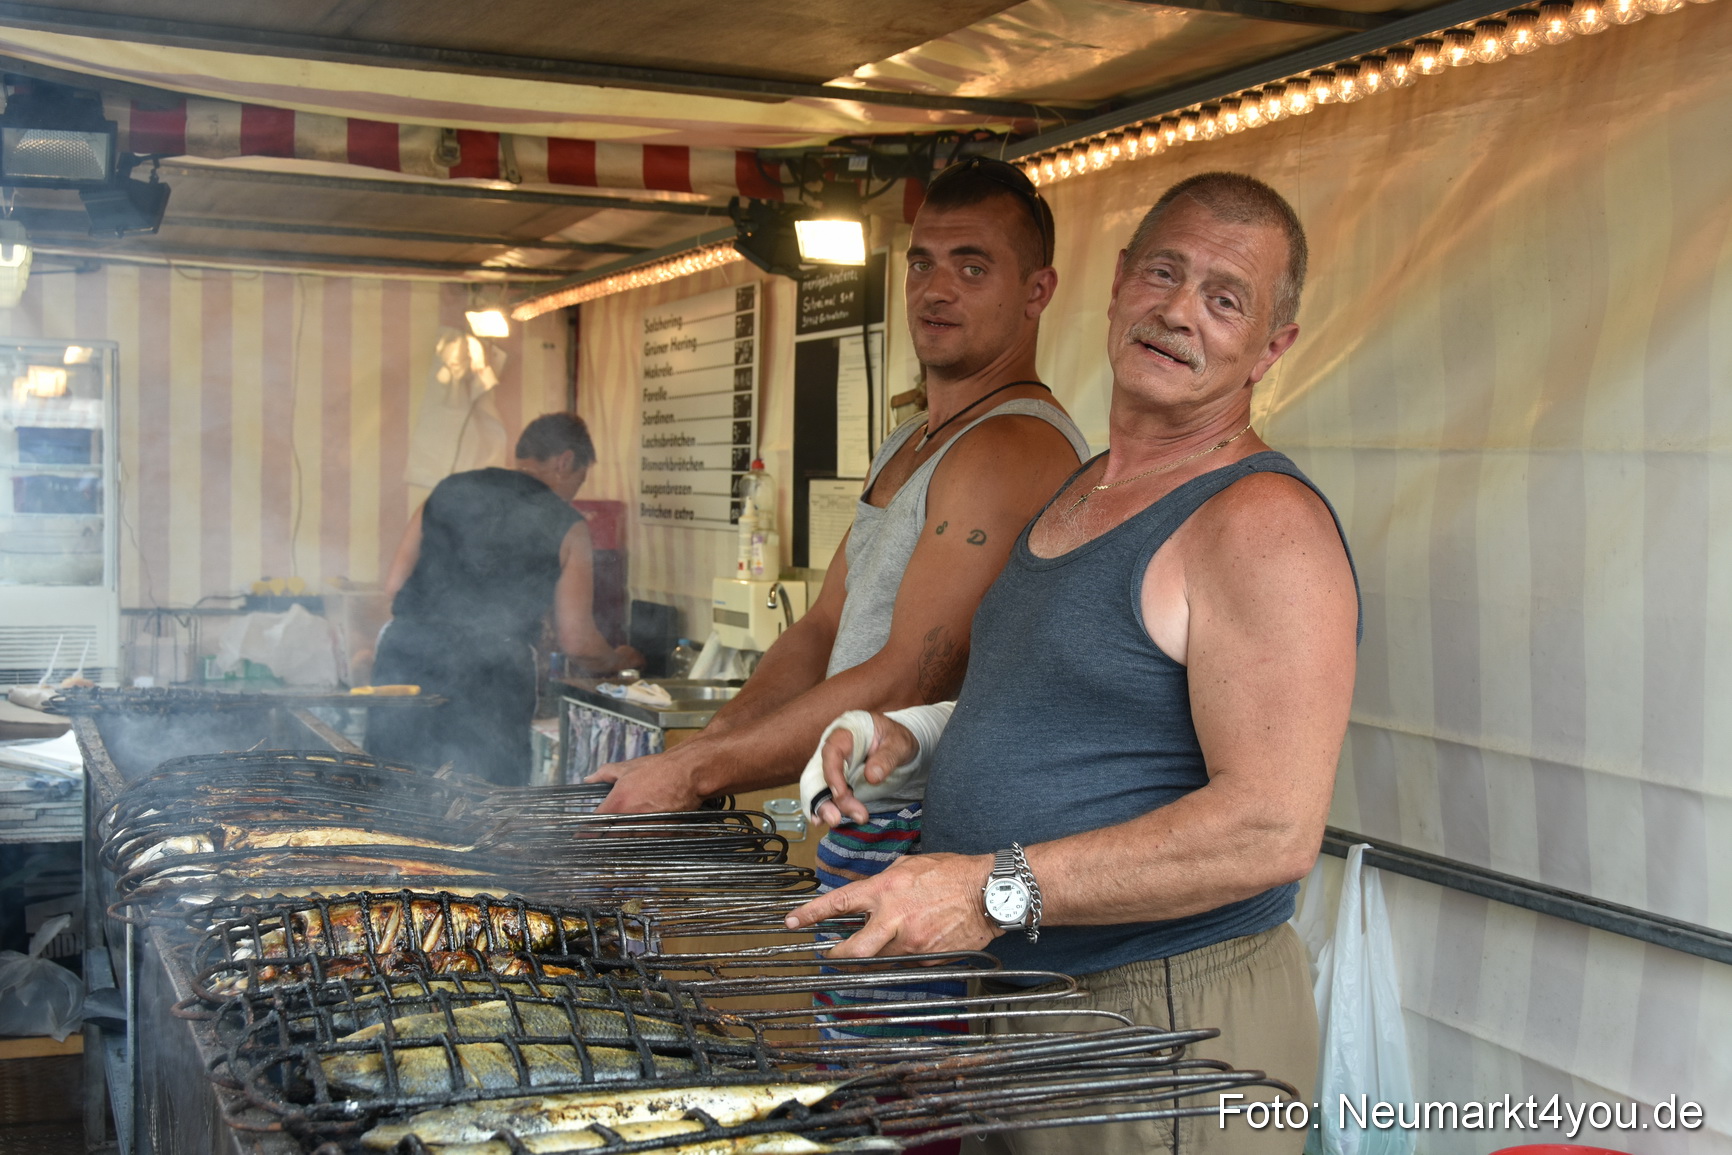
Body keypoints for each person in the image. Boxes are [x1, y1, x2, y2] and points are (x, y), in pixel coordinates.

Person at [788, 172, 1361, 1155]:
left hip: (1164, 1026)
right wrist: (907, 739)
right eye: (1163, 274)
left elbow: (1268, 828)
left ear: (1270, 348)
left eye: (1224, 299)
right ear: (1118, 285)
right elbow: (1063, 717)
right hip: (1034, 1007)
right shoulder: (1085, 487)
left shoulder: (1261, 525)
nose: (1179, 311)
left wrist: (984, 891)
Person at [367, 413, 641, 786]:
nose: (576, 490)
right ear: (564, 462)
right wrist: (618, 661)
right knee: (485, 803)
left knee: (388, 789)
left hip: (406, 658)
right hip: (491, 676)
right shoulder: (568, 524)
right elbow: (578, 641)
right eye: (580, 477)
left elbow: (394, 586)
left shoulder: (448, 490)